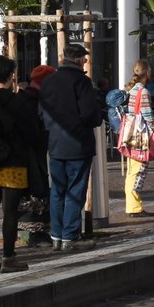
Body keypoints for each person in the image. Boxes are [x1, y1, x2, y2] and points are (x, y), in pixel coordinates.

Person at [0, 55, 45, 274]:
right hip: (13, 161)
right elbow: (31, 132)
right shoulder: (17, 101)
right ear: (11, 75)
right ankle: (8, 258)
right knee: (10, 212)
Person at [39, 43, 104, 252]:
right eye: (84, 59)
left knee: (57, 191)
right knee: (75, 190)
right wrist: (98, 112)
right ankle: (70, 236)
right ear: (80, 60)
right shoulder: (82, 82)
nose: (85, 62)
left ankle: (56, 236)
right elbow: (90, 115)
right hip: (78, 144)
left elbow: (41, 112)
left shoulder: (48, 81)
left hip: (55, 144)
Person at [18, 64, 56, 247]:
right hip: (35, 154)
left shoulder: (21, 98)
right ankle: (36, 234)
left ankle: (24, 235)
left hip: (20, 155)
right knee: (37, 192)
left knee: (24, 195)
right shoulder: (40, 101)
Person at [122, 60, 154, 217]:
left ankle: (133, 205)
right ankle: (134, 207)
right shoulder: (143, 92)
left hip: (131, 134)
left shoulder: (132, 90)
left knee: (132, 170)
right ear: (147, 73)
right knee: (138, 171)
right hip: (140, 136)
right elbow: (147, 115)